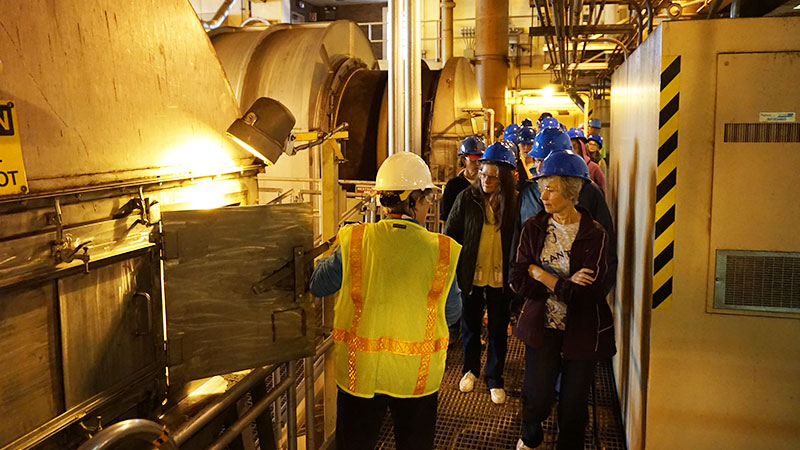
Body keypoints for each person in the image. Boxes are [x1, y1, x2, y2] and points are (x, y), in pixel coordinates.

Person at [309, 152, 462, 450]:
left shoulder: (355, 240)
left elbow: (318, 285)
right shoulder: (441, 250)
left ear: (382, 200)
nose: (428, 205)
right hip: (416, 377)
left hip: (361, 373)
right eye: (427, 199)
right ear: (415, 201)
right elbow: (453, 312)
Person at [510, 150, 616, 450]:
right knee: (537, 394)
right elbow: (519, 280)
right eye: (542, 187)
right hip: (542, 325)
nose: (543, 195)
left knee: (573, 406)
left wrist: (543, 275)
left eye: (551, 188)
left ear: (571, 192)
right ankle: (530, 437)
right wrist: (562, 283)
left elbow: (588, 295)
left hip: (581, 329)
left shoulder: (595, 235)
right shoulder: (534, 227)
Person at [444, 141, 518, 405]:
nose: (486, 180)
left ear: (505, 178)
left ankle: (494, 378)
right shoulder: (467, 198)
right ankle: (470, 370)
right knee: (470, 325)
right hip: (472, 274)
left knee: (498, 328)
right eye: (483, 174)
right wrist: (453, 269)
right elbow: (450, 233)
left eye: (493, 177)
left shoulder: (514, 202)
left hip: (501, 275)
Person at [514, 128, 617, 296]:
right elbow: (517, 254)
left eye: (544, 160)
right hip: (536, 304)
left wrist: (594, 298)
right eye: (537, 160)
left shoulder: (589, 192)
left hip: (578, 307)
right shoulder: (528, 192)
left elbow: (606, 252)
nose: (540, 167)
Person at [441, 136, 485, 222]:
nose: (477, 164)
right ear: (464, 160)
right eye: (473, 160)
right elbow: (446, 218)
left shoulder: (486, 184)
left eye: (480, 160)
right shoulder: (453, 186)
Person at [568, 127, 606, 195]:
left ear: (582, 147)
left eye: (574, 147)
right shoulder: (564, 168)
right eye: (569, 147)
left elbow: (602, 193)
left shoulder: (594, 168)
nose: (572, 151)